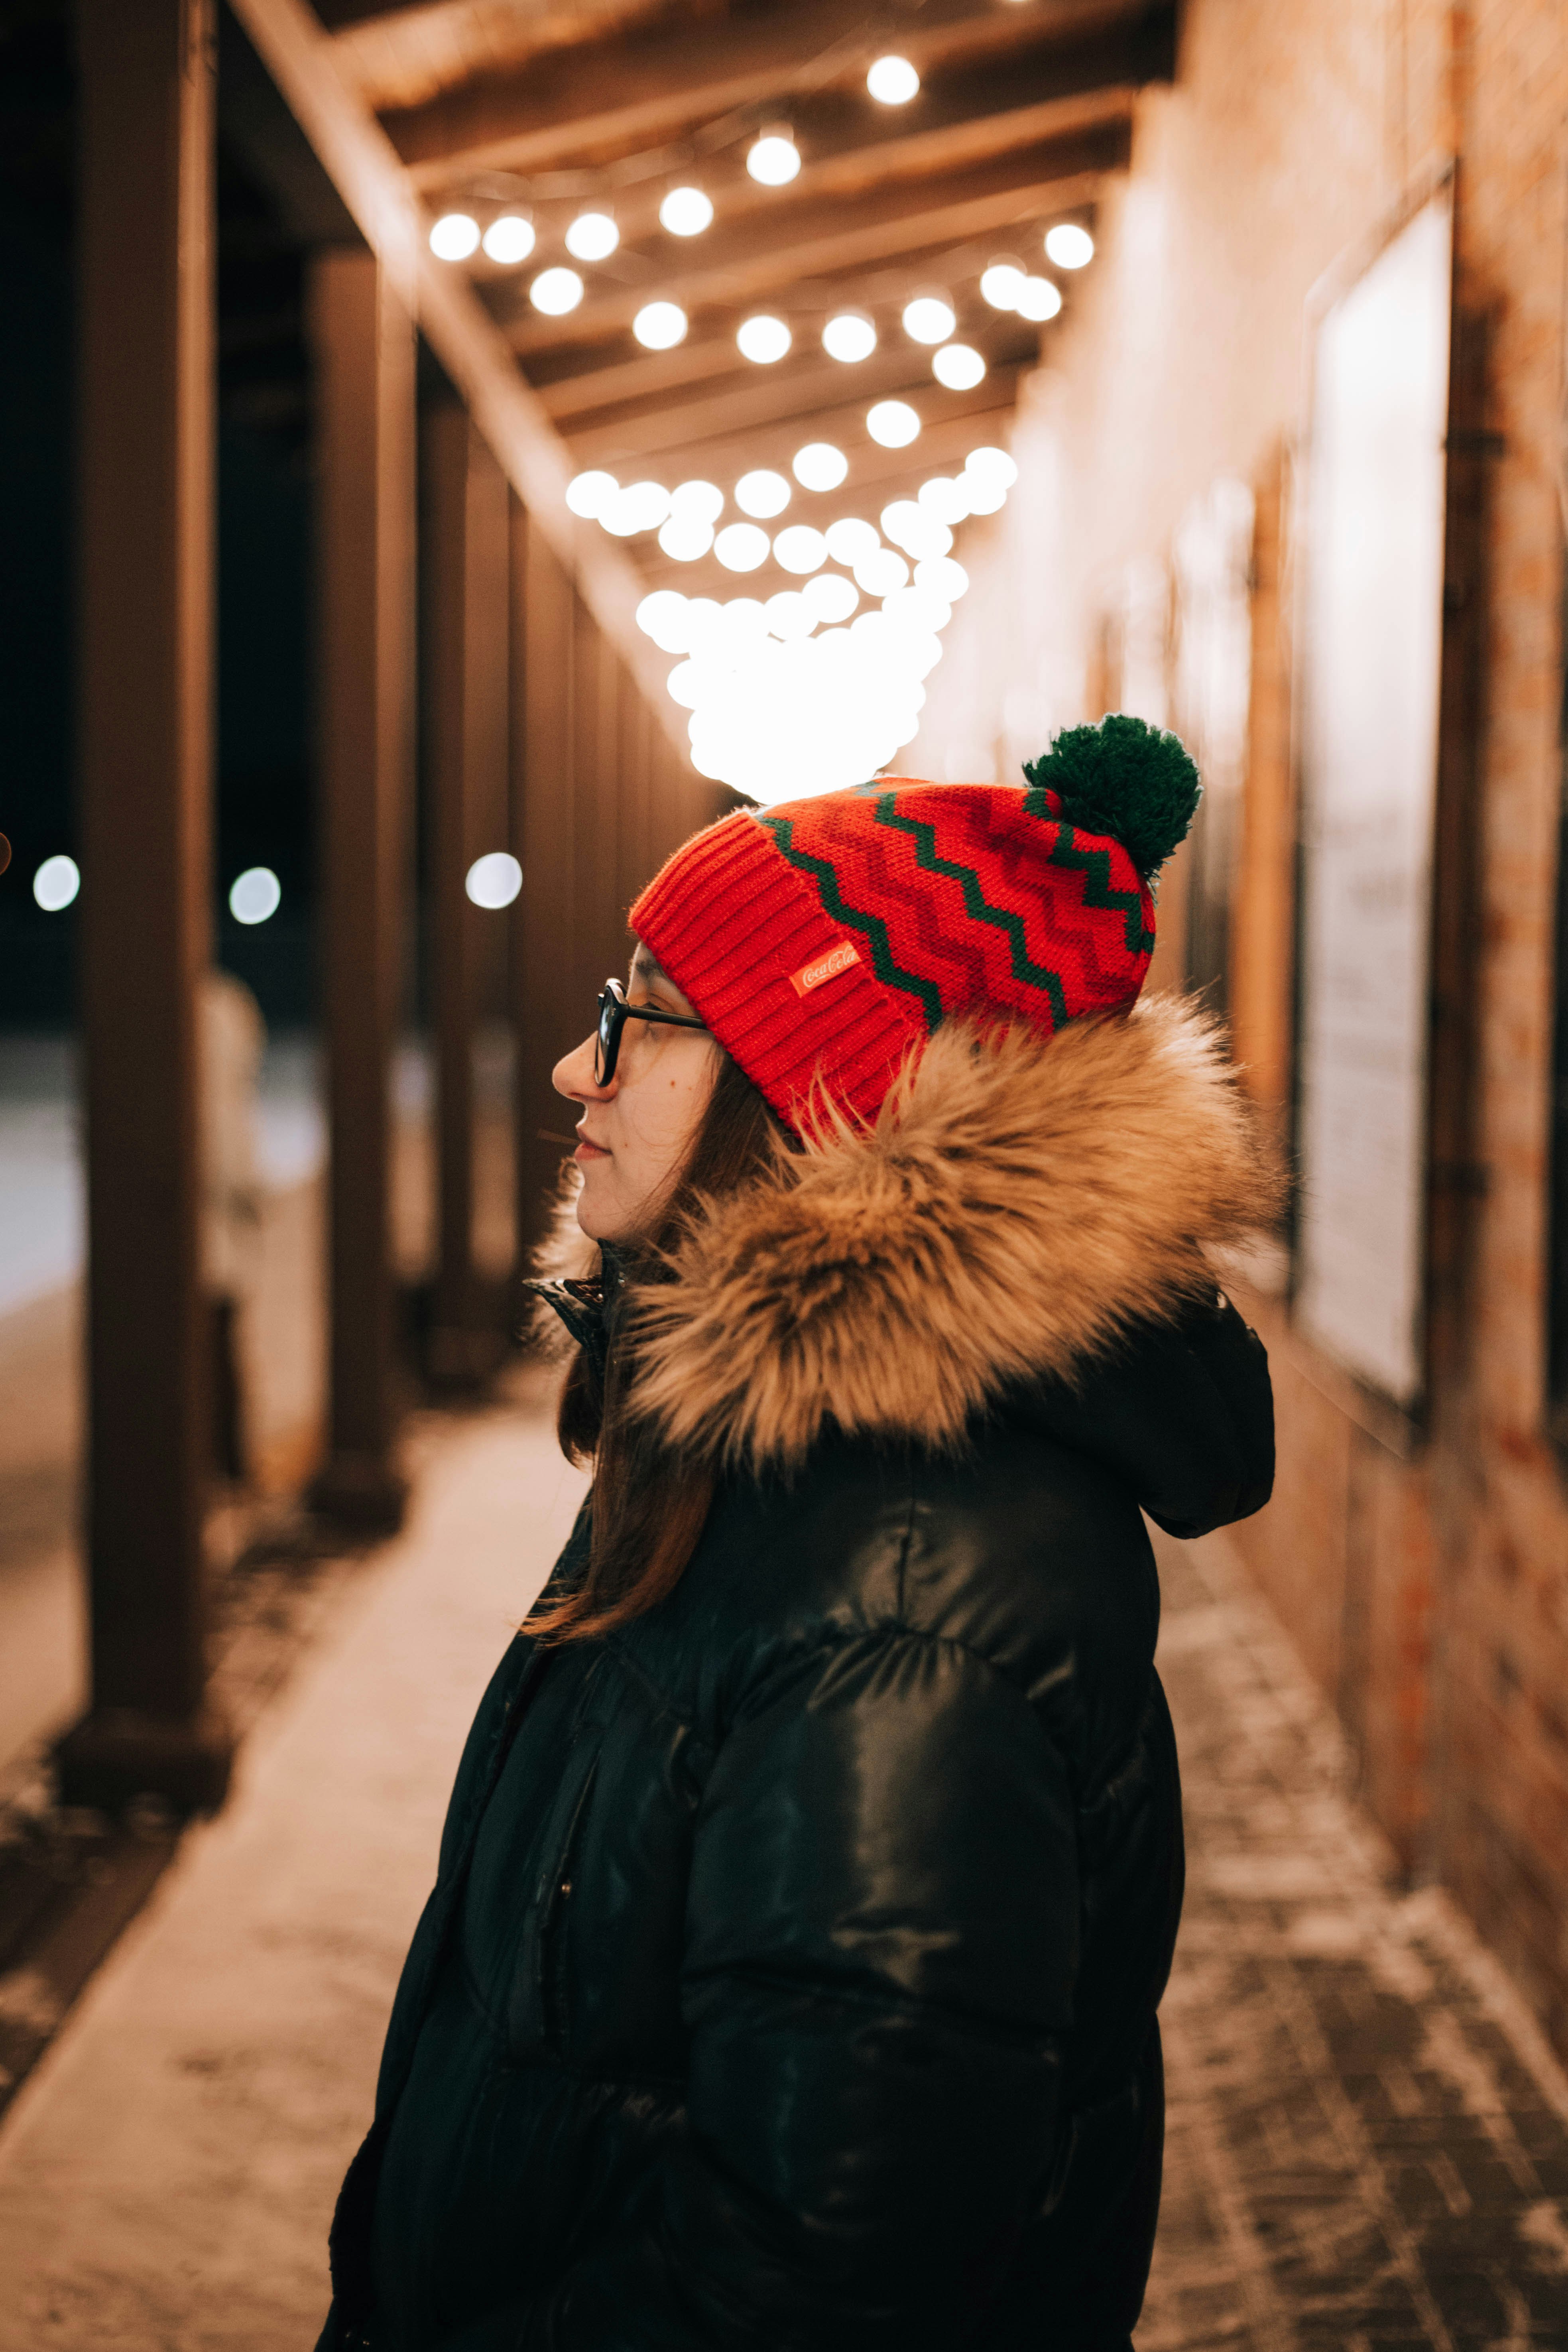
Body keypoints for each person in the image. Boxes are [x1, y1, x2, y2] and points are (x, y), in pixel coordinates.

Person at [316, 716, 1279, 2352]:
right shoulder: (759, 1452)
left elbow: (822, 2265)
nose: (578, 1067)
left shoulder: (905, 1589)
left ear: (816, 1092)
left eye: (643, 1018)